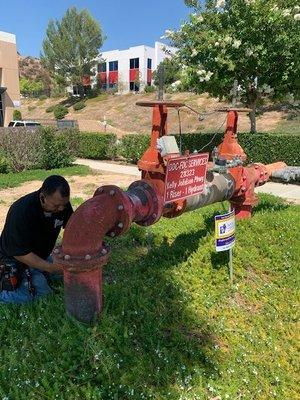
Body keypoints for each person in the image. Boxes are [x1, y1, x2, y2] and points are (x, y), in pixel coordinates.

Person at [0, 175, 73, 304]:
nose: (61, 209)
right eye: (56, 205)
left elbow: (73, 228)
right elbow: (19, 253)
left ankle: (38, 273)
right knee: (43, 293)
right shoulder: (21, 211)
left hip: (41, 256)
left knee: (69, 273)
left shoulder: (62, 206)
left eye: (64, 204)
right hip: (15, 261)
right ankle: (5, 293)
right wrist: (50, 268)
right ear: (42, 197)